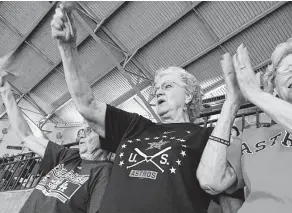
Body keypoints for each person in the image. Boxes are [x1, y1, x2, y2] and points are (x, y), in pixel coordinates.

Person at [50, 5, 244, 213]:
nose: (159, 92)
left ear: (188, 96)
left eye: (168, 86)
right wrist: (68, 48)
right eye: (157, 89)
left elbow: (230, 203)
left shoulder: (209, 136)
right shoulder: (135, 126)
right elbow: (86, 105)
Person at [197, 37, 292, 213]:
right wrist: (231, 102)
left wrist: (257, 95)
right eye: (286, 69)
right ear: (274, 87)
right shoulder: (249, 135)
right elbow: (211, 180)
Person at [0, 74, 113, 213]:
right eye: (83, 130)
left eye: (89, 131)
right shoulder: (70, 156)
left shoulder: (105, 171)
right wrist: (6, 93)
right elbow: (27, 136)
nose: (82, 135)